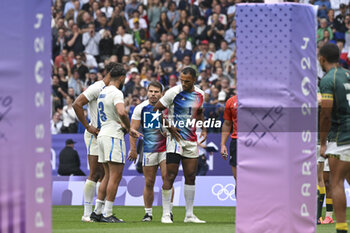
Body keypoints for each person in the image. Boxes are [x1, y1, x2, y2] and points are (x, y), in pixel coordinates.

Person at [153, 67, 206, 224]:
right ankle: (166, 214)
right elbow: (156, 110)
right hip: (174, 139)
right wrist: (169, 126)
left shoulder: (200, 94)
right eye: (181, 80)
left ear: (194, 80)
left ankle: (189, 215)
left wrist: (203, 128)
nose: (183, 83)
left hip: (191, 140)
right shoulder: (173, 92)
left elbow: (200, 112)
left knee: (191, 176)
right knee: (170, 175)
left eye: (187, 81)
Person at [95, 63, 142, 223]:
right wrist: (128, 128)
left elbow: (112, 115)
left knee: (106, 176)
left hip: (102, 134)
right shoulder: (116, 92)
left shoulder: (103, 91)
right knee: (115, 176)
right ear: (121, 78)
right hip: (113, 136)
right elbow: (121, 111)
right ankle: (107, 214)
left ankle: (97, 212)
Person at [73, 62, 118, 222]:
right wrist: (88, 126)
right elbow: (77, 103)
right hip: (95, 134)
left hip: (106, 133)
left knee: (105, 174)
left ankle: (99, 212)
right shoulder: (97, 87)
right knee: (95, 173)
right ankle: (87, 213)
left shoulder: (112, 89)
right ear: (110, 73)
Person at [129, 81, 174, 222]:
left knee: (167, 179)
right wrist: (133, 149)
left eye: (156, 92)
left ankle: (167, 212)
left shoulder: (169, 107)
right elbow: (133, 130)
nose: (153, 94)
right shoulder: (140, 108)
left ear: (161, 93)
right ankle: (148, 213)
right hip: (149, 150)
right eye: (151, 91)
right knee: (149, 182)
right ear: (147, 92)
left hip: (167, 148)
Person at [319, 43, 350, 233]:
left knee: (336, 181)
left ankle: (341, 228)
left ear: (322, 59)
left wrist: (323, 142)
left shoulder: (328, 80)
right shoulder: (348, 74)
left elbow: (326, 113)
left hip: (342, 136)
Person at [220, 95, 238, 180]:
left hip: (257, 143)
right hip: (237, 142)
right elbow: (227, 123)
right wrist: (223, 144)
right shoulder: (231, 101)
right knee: (238, 178)